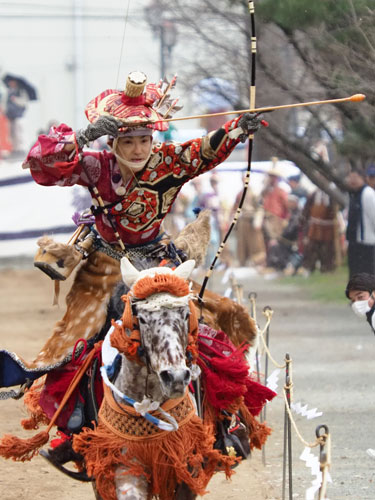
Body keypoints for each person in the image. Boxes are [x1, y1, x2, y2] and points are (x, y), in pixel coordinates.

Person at [19, 70, 263, 368]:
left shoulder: (168, 161)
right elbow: (41, 164)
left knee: (216, 320)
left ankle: (222, 407)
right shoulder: (96, 166)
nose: (138, 150)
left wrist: (238, 128)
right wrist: (84, 136)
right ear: (113, 144)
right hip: (104, 267)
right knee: (72, 342)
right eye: (129, 142)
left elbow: (205, 149)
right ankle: (66, 408)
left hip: (159, 262)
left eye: (144, 141)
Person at [345, 169, 375, 277]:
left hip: (366, 241)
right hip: (354, 240)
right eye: (350, 178)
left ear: (363, 179)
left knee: (366, 272)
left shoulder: (368, 194)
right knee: (355, 271)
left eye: (355, 178)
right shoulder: (353, 194)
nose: (352, 181)